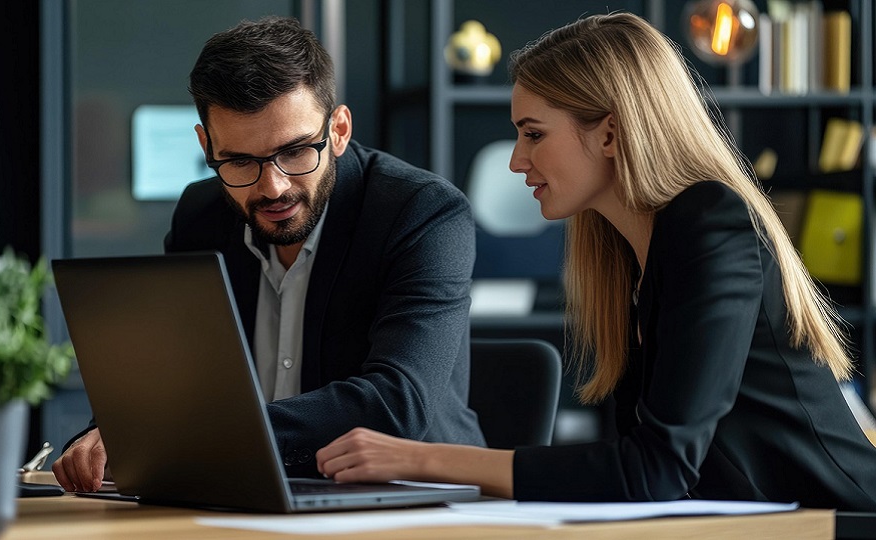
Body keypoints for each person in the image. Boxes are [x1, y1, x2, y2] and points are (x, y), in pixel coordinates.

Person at [316, 12, 876, 511]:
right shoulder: (629, 255)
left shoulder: (709, 221)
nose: (517, 160)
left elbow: (656, 469)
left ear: (610, 131)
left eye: (533, 134)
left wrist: (422, 460)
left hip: (838, 523)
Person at [52, 16, 484, 492]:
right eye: (239, 161)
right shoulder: (201, 215)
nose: (273, 187)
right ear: (206, 145)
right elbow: (165, 376)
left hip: (414, 501)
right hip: (243, 492)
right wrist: (113, 432)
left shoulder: (421, 212)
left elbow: (395, 404)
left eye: (296, 151)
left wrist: (191, 437)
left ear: (338, 130)